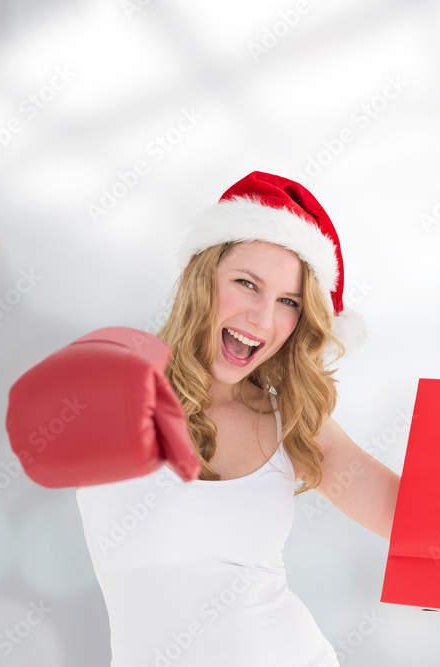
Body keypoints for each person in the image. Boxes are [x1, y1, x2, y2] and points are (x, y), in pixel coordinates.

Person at [73, 171, 400, 666]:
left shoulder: (290, 421)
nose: (263, 320)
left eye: (288, 302)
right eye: (247, 284)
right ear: (199, 276)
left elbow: (420, 522)